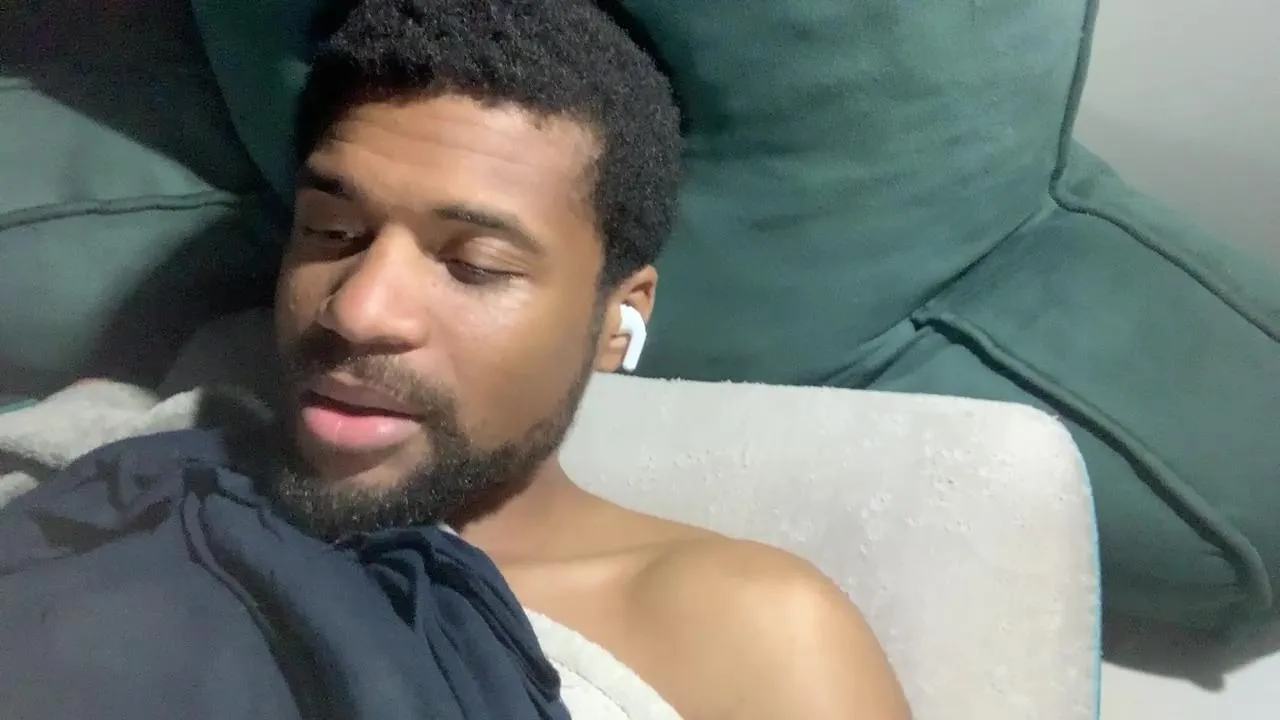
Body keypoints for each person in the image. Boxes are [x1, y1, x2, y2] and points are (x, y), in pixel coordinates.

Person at [0, 1, 909, 718]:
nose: (357, 310)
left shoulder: (754, 635)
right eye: (332, 232)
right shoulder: (143, 487)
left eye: (474, 264)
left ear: (615, 320)